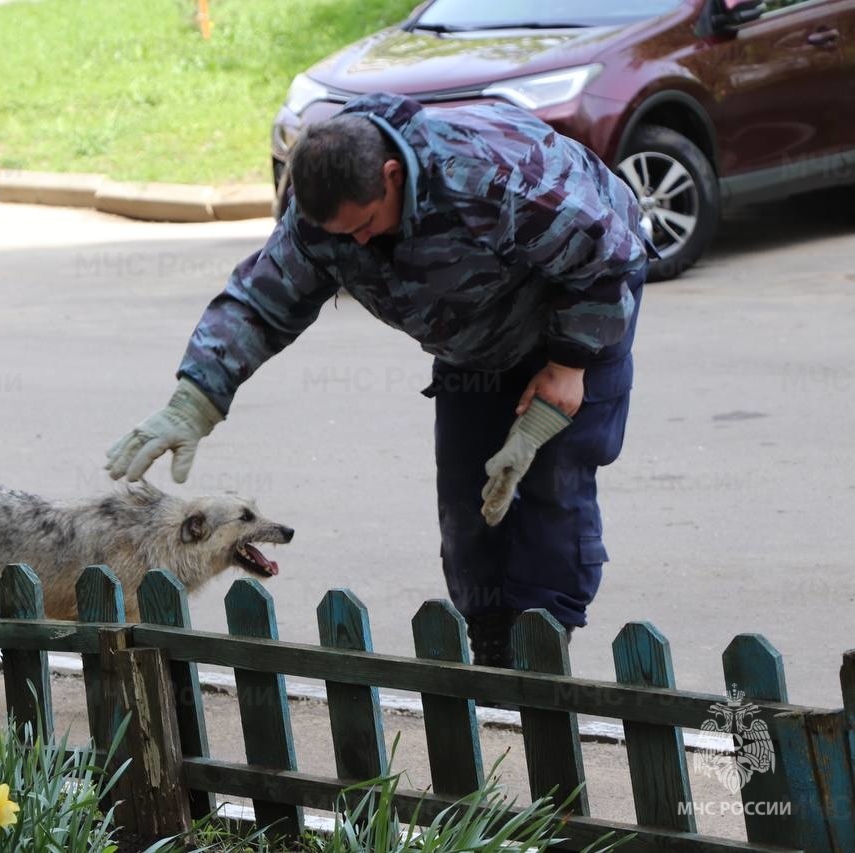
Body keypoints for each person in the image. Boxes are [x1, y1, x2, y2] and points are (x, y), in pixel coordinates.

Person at [105, 92, 648, 668]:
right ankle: (491, 642)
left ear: (392, 176)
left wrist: (568, 366)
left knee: (551, 485)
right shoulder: (325, 217)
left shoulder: (491, 179)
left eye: (365, 226)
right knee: (470, 499)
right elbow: (262, 303)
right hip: (471, 340)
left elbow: (609, 257)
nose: (357, 243)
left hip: (577, 314)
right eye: (343, 235)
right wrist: (196, 398)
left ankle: (544, 644)